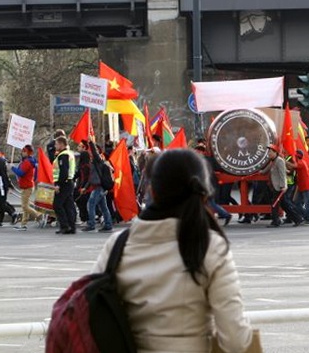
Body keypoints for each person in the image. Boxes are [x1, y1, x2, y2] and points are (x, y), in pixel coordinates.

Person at [91, 148, 254, 353]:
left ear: (153, 192)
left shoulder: (117, 245)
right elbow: (235, 339)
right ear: (203, 194)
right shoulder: (210, 247)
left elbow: (91, 312)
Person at [261, 145, 302, 228]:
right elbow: (266, 170)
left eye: (270, 152)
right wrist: (260, 172)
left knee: (274, 204)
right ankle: (297, 219)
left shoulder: (279, 161)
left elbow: (282, 174)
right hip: (275, 186)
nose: (269, 153)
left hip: (280, 187)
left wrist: (283, 186)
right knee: (285, 205)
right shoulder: (273, 161)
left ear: (275, 152)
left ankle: (276, 221)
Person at [82, 140, 114, 233]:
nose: (89, 152)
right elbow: (91, 177)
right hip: (98, 187)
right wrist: (86, 187)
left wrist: (91, 143)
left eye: (90, 151)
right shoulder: (94, 162)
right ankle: (108, 224)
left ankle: (91, 224)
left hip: (99, 187)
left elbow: (95, 152)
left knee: (90, 204)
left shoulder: (98, 160)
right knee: (103, 207)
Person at [10, 144, 41, 230]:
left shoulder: (27, 162)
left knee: (24, 206)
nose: (22, 152)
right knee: (25, 206)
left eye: (24, 151)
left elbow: (21, 173)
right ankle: (24, 224)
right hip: (28, 185)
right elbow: (34, 175)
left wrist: (13, 168)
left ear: (28, 152)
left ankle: (38, 215)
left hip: (27, 186)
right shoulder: (30, 161)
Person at [52, 136, 78, 234]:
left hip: (64, 183)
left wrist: (58, 184)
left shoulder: (63, 155)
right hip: (68, 182)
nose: (55, 146)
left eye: (56, 144)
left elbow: (63, 172)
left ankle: (65, 226)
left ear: (62, 144)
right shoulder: (69, 153)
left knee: (57, 205)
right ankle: (71, 227)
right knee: (68, 205)